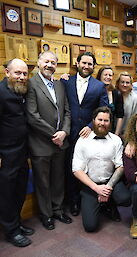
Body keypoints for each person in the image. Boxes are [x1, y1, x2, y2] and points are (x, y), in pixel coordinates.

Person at [26, 51, 72, 230]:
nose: (49, 65)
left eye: (53, 62)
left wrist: (64, 133)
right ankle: (46, 215)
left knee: (58, 179)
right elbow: (32, 116)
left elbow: (67, 111)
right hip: (41, 143)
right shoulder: (31, 84)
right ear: (39, 62)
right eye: (46, 61)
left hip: (61, 143)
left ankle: (58, 209)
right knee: (43, 182)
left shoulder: (60, 85)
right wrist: (55, 134)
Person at [61, 52, 108, 216]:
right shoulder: (66, 81)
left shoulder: (99, 86)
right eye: (84, 63)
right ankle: (73, 201)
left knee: (89, 167)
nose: (87, 66)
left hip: (89, 133)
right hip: (69, 132)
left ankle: (88, 198)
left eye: (90, 64)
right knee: (71, 168)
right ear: (77, 63)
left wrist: (90, 126)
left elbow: (104, 110)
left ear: (93, 67)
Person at [72, 107, 131, 232]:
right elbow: (76, 169)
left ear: (110, 123)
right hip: (90, 184)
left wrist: (107, 188)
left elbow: (120, 166)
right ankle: (99, 204)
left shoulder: (116, 140)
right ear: (93, 120)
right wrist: (96, 188)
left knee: (125, 198)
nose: (102, 123)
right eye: (100, 120)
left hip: (110, 182)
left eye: (106, 120)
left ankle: (110, 204)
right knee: (90, 227)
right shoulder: (82, 140)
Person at [0, 59, 34, 247]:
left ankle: (17, 223)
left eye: (24, 73)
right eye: (17, 73)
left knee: (20, 190)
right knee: (7, 193)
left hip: (22, 152)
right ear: (7, 72)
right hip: (6, 154)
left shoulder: (21, 89)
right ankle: (11, 231)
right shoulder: (1, 92)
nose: (21, 77)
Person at [96, 66, 124, 136]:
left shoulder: (116, 93)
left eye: (110, 75)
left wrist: (116, 135)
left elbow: (120, 116)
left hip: (111, 131)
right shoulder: (94, 91)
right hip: (95, 130)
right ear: (100, 76)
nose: (108, 77)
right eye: (105, 75)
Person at [115, 72, 137, 136]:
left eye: (127, 82)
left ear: (131, 84)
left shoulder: (135, 99)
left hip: (128, 134)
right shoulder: (113, 95)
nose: (124, 85)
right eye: (122, 82)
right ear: (118, 83)